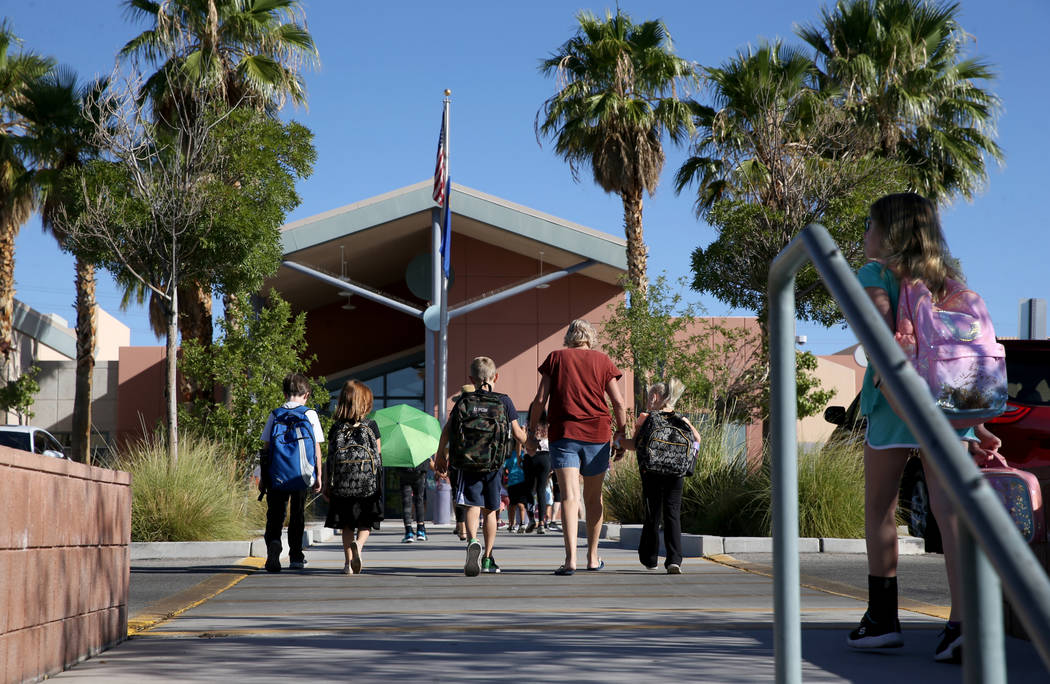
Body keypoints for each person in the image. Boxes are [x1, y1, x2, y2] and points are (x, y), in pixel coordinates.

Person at [848, 192, 982, 663]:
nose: (865, 233)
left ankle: (881, 619)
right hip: (947, 407)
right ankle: (964, 624)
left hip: (893, 405)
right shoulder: (949, 284)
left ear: (890, 232)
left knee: (881, 509)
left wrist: (898, 397)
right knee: (951, 515)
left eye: (870, 224)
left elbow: (881, 343)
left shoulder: (873, 275)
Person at [527, 319, 628, 575]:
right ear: (590, 337)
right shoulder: (603, 361)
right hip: (597, 434)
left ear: (569, 337)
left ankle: (570, 559)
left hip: (564, 435)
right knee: (594, 498)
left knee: (570, 497)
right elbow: (618, 402)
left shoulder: (556, 359)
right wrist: (621, 434)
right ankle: (592, 558)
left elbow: (540, 400)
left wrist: (530, 433)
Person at [435, 357, 527, 575]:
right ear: (495, 377)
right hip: (494, 464)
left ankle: (472, 541)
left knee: (471, 505)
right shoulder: (504, 401)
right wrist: (529, 442)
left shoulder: (463, 402)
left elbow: (447, 430)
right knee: (491, 511)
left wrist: (440, 455)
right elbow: (517, 434)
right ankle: (487, 558)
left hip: (468, 464)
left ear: (471, 379)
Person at [623, 379, 700, 574]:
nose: (648, 400)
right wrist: (688, 461)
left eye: (650, 396)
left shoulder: (647, 418)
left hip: (653, 472)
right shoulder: (682, 420)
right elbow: (697, 440)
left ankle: (650, 559)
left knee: (653, 513)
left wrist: (618, 442)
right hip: (676, 473)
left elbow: (634, 445)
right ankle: (674, 560)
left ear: (657, 397)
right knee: (672, 514)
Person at [259, 373, 324, 573]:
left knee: (275, 514)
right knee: (297, 514)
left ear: (285, 393)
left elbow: (267, 448)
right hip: (302, 474)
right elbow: (316, 448)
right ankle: (296, 556)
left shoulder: (275, 414)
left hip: (277, 473)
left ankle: (274, 543)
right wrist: (319, 475)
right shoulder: (310, 414)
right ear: (307, 394)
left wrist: (263, 477)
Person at [322, 379, 383, 575]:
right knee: (365, 524)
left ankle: (348, 564)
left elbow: (329, 458)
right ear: (365, 403)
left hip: (342, 485)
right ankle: (360, 545)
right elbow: (378, 458)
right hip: (367, 486)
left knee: (346, 525)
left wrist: (326, 484)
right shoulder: (371, 426)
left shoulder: (336, 428)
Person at [525, 412, 552, 533]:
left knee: (529, 490)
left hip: (530, 456)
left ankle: (531, 519)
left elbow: (521, 441)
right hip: (545, 457)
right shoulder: (548, 426)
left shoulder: (528, 425)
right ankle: (541, 522)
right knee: (541, 490)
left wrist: (520, 458)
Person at [397, 459, 432, 543]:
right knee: (419, 500)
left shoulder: (401, 445)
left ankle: (408, 532)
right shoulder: (420, 445)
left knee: (406, 502)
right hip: (420, 470)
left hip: (404, 469)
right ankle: (420, 530)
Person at [504, 442, 531, 532]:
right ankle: (522, 523)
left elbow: (504, 467)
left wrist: (505, 476)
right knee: (521, 504)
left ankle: (511, 525)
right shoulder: (524, 455)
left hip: (512, 482)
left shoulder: (509, 455)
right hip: (522, 482)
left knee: (512, 504)